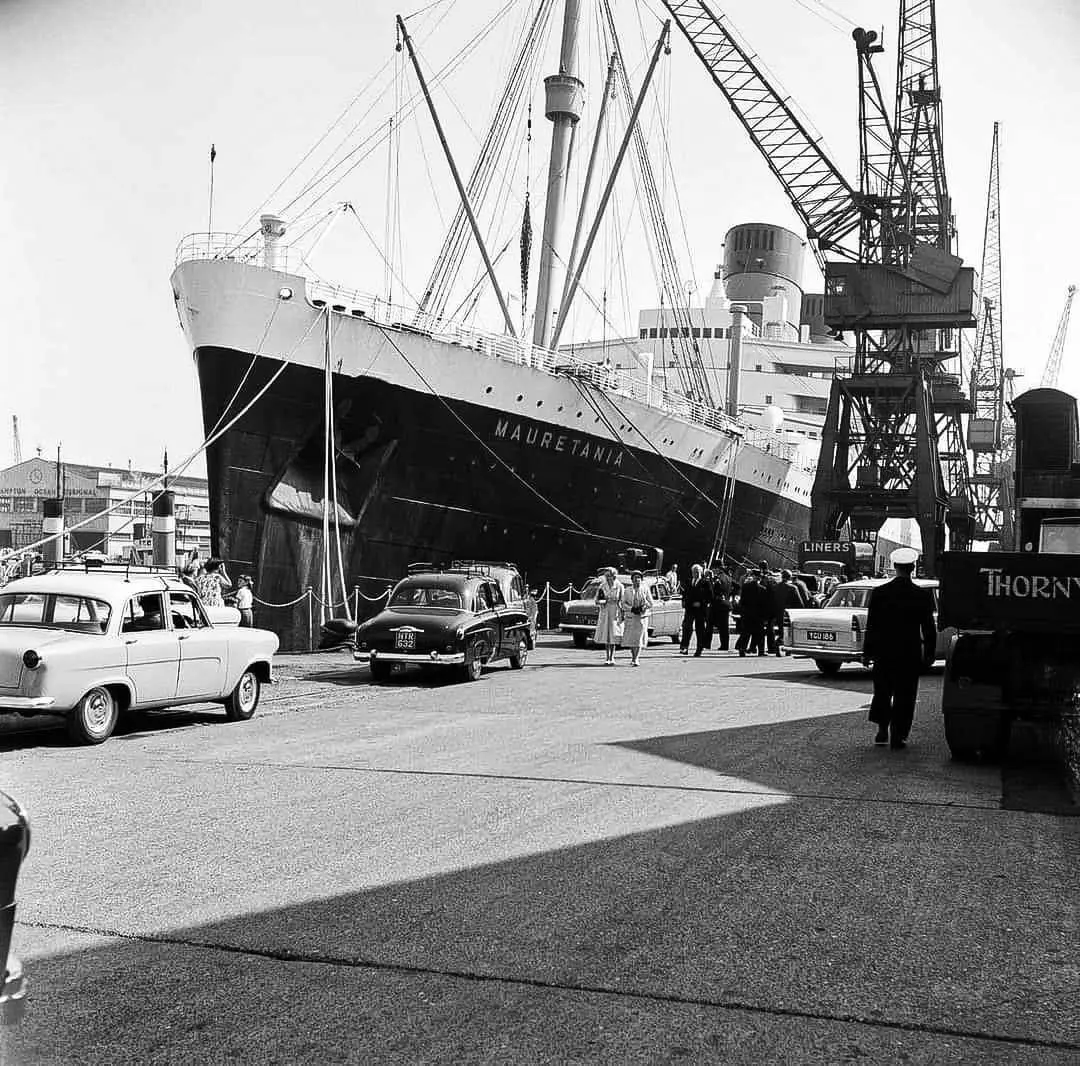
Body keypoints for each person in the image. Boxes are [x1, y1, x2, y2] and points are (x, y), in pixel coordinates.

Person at [862, 547, 936, 749]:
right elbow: (929, 628)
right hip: (908, 653)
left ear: (895, 567)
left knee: (883, 691)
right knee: (905, 694)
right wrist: (929, 655)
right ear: (913, 568)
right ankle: (898, 735)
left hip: (884, 653)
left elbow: (872, 625)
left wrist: (867, 652)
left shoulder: (880, 593)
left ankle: (882, 730)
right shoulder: (922, 596)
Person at [771, 569, 808, 657]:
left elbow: (771, 601)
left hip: (778, 613)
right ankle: (784, 647)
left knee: (781, 630)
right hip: (789, 614)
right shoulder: (792, 588)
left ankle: (780, 645)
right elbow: (799, 602)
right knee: (789, 632)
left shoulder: (775, 587)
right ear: (789, 577)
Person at [679, 563, 713, 657]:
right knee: (687, 627)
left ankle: (699, 648)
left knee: (700, 629)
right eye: (694, 572)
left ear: (701, 572)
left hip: (700, 610)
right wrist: (684, 601)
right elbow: (685, 593)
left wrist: (702, 603)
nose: (696, 573)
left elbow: (710, 596)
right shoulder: (688, 581)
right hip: (689, 608)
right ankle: (684, 646)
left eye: (697, 572)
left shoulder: (705, 582)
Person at [593, 567, 624, 665]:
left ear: (613, 576)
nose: (607, 578)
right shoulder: (602, 586)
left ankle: (612, 657)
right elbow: (596, 600)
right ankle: (607, 657)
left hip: (615, 611)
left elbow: (622, 600)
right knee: (606, 634)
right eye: (606, 576)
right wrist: (603, 601)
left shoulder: (619, 586)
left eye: (609, 576)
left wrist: (622, 613)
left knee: (613, 634)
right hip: (605, 611)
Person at [619, 570, 650, 666]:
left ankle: (636, 658)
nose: (637, 580)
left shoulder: (645, 589)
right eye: (635, 578)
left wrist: (644, 607)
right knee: (632, 639)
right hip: (631, 617)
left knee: (639, 638)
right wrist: (631, 609)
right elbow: (622, 603)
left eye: (639, 578)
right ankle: (633, 657)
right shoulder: (627, 590)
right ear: (632, 580)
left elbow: (650, 602)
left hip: (642, 617)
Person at [735, 571, 767, 656]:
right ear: (759, 578)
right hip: (758, 614)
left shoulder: (745, 587)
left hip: (747, 613)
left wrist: (742, 612)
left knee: (745, 632)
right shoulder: (763, 589)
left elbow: (742, 601)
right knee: (760, 633)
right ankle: (761, 651)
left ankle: (742, 649)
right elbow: (764, 604)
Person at [710, 564, 733, 652]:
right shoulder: (728, 578)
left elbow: (716, 591)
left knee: (716, 625)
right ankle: (725, 644)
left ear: (718, 569)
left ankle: (707, 644)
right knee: (724, 626)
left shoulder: (718, 579)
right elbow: (737, 586)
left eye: (714, 569)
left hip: (718, 604)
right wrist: (728, 596)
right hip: (726, 603)